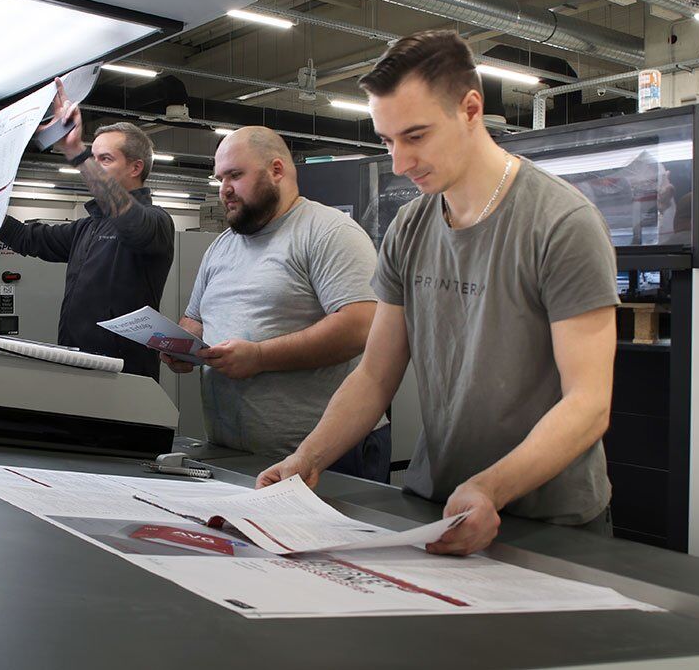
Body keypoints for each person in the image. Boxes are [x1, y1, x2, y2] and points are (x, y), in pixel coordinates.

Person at [257, 31, 619, 554]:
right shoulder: (410, 226)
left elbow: (588, 403)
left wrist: (490, 488)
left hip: (547, 522)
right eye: (388, 141)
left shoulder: (562, 224)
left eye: (416, 136)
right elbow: (375, 375)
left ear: (470, 109)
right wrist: (307, 459)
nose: (400, 162)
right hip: (437, 507)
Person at [161, 127, 388, 481]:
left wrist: (259, 357)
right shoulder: (222, 246)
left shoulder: (328, 232)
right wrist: (181, 346)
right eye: (220, 179)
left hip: (324, 456)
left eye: (235, 175)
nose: (224, 189)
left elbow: (360, 326)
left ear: (276, 171)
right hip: (235, 454)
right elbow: (196, 318)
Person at [0, 79, 173, 378]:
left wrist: (78, 152)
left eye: (105, 159)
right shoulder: (88, 228)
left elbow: (131, 223)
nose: (95, 165)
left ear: (136, 167)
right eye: (94, 157)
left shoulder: (157, 223)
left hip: (124, 376)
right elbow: (28, 238)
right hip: (76, 365)